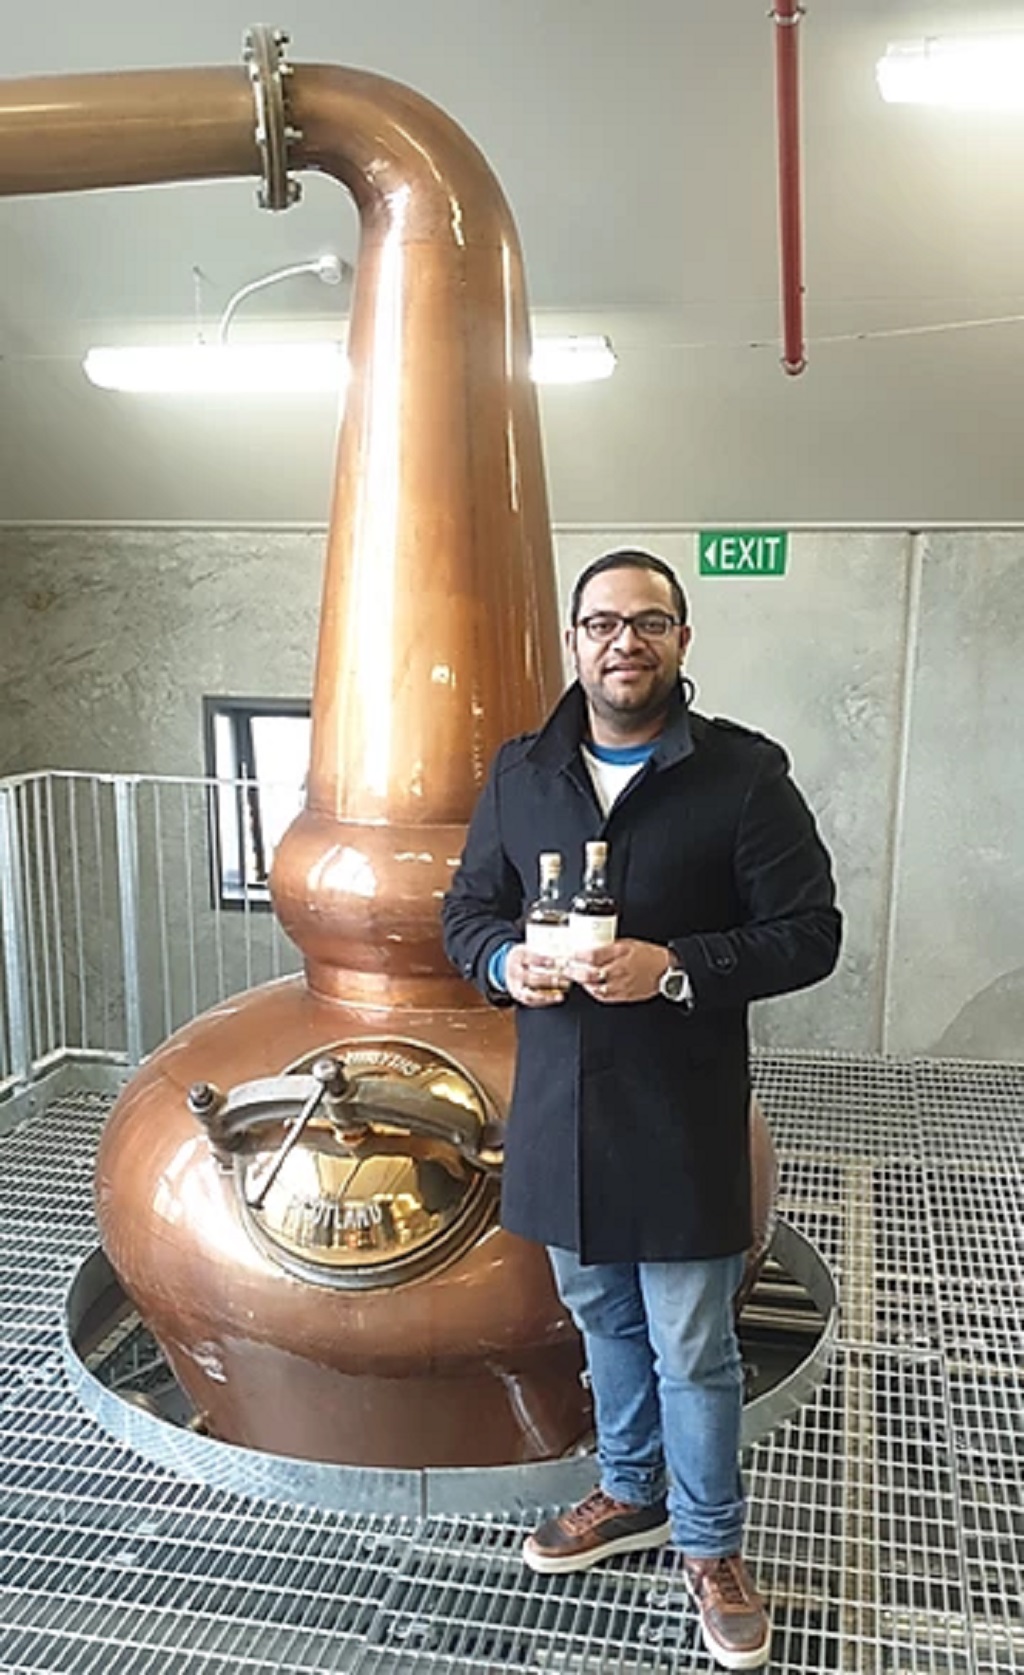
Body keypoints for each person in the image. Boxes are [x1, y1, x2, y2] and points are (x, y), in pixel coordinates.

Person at [441, 549, 841, 1671]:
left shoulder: (743, 777)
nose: (626, 641)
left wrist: (674, 967)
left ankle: (711, 1546)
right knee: (603, 1322)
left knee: (691, 1345)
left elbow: (810, 934)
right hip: (561, 1110)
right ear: (574, 639)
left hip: (680, 1109)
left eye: (650, 622)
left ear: (680, 639)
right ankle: (629, 1491)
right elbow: (467, 910)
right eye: (603, 622)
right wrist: (501, 960)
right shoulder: (524, 774)